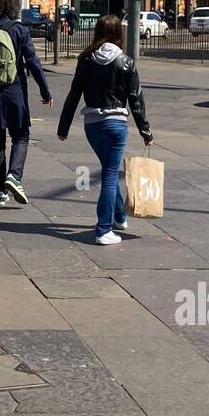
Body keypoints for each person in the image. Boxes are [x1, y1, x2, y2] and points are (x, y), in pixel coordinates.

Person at [56, 14, 154, 244]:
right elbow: (136, 100)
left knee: (108, 169)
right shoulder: (126, 62)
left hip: (92, 126)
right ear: (118, 33)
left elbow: (74, 95)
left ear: (98, 32)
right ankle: (103, 229)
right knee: (110, 175)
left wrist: (63, 128)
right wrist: (146, 131)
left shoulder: (85, 60)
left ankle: (119, 215)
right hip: (116, 125)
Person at [0, 0, 52, 207]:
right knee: (21, 136)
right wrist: (45, 91)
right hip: (14, 91)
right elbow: (33, 63)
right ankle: (14, 176)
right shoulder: (19, 30)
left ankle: (0, 192)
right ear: (10, 7)